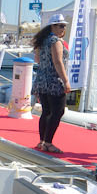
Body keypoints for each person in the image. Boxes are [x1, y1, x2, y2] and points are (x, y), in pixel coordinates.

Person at [32, 14, 72, 154]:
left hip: (42, 79)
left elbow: (37, 59)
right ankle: (48, 142)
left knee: (46, 111)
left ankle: (42, 140)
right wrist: (66, 81)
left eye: (64, 25)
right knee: (57, 111)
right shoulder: (55, 41)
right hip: (54, 81)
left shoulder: (42, 41)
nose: (63, 28)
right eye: (60, 25)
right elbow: (58, 62)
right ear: (53, 26)